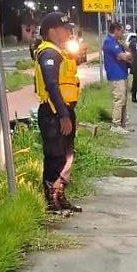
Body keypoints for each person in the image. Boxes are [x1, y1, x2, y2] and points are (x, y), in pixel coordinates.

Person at [33, 12, 82, 213]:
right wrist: (63, 115)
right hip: (53, 114)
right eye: (64, 29)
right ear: (52, 31)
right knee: (55, 156)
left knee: (66, 155)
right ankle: (51, 202)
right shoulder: (48, 53)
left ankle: (60, 197)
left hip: (64, 110)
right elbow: (52, 86)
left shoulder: (59, 52)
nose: (68, 33)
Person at [102, 22, 132, 134]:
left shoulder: (118, 42)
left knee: (123, 100)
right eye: (121, 31)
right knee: (119, 99)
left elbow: (129, 58)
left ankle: (123, 124)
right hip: (116, 75)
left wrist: (126, 48)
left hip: (122, 74)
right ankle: (116, 125)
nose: (123, 33)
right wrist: (129, 54)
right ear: (116, 30)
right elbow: (123, 56)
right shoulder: (109, 42)